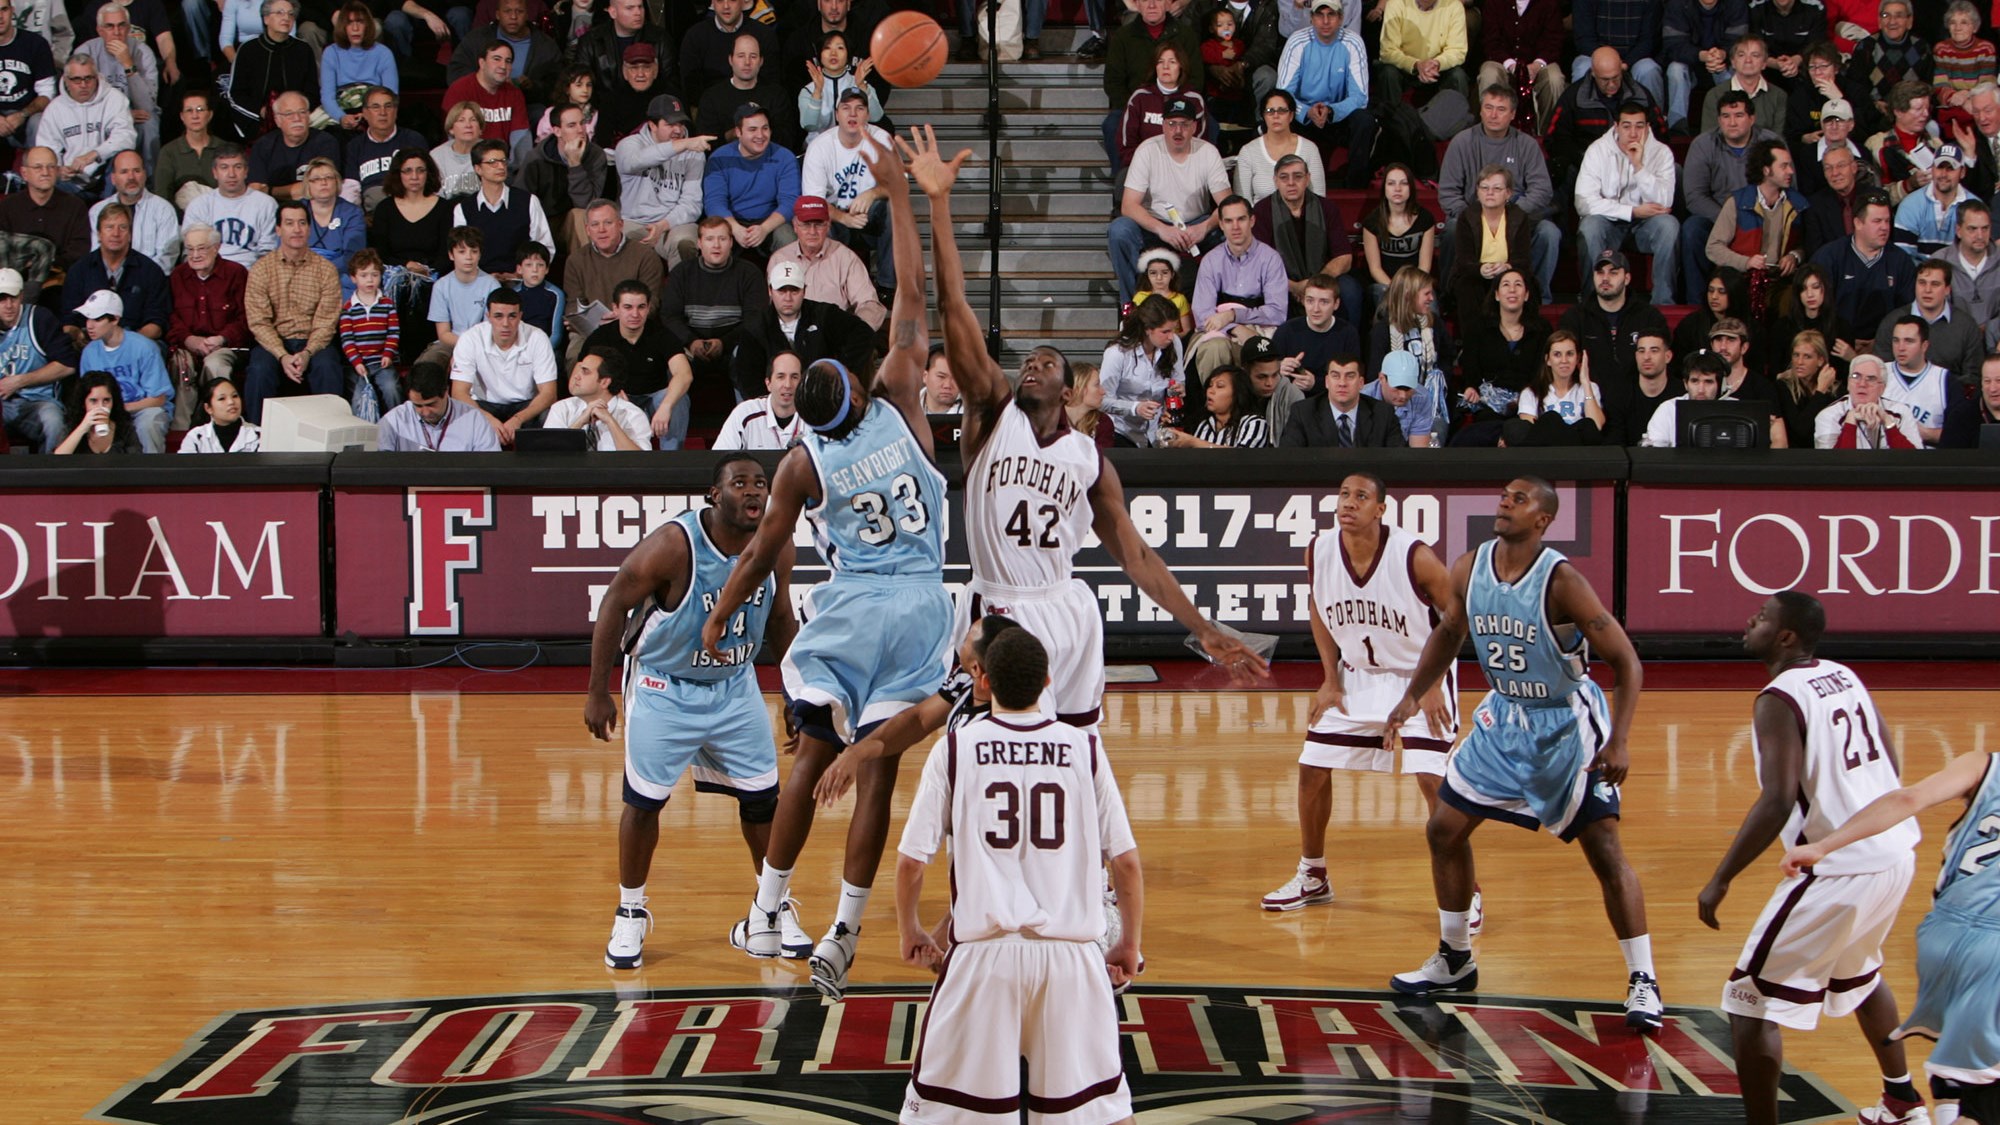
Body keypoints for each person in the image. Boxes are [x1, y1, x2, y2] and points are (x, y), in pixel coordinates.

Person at [702, 132, 949, 1003]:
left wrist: (718, 612)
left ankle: (768, 906)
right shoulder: (902, 399)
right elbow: (913, 293)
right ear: (853, 385)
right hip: (922, 605)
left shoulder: (803, 463)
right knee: (877, 767)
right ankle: (844, 930)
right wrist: (903, 200)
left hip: (851, 606)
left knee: (811, 751)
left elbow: (761, 555)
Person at [1383, 477, 1661, 1033]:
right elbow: (1449, 631)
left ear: (1543, 520)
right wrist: (1413, 694)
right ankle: (1455, 959)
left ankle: (1644, 979)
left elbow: (1627, 662)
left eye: (1520, 499)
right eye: (1504, 495)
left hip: (1564, 723)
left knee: (1604, 850)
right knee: (1444, 829)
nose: (1505, 502)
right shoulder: (1470, 565)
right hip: (1504, 715)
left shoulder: (1564, 582)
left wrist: (1621, 738)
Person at [892, 628, 1143, 1125]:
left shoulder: (956, 749)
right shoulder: (1083, 747)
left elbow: (910, 864)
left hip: (983, 960)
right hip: (1072, 961)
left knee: (942, 1117)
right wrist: (1128, 945)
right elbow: (1128, 865)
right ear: (1048, 680)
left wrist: (912, 932)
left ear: (981, 680)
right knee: (1106, 1114)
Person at [1700, 592, 1928, 1125]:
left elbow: (1777, 800)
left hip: (1840, 869)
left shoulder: (1777, 698)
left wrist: (1721, 877)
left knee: (1746, 1002)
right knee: (1862, 974)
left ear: (1786, 637)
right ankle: (1902, 1102)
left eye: (1762, 617)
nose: (1749, 619)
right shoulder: (1844, 675)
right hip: (1893, 853)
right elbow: (1888, 760)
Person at [585, 451, 800, 968]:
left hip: (734, 685)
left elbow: (780, 619)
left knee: (764, 803)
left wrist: (797, 692)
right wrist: (597, 690)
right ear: (714, 494)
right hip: (666, 685)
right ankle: (630, 913)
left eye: (761, 483)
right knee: (644, 803)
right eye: (740, 483)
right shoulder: (674, 544)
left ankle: (769, 910)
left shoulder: (776, 543)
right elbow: (614, 602)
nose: (753, 491)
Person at [1264, 471, 1461, 911]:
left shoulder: (1415, 556)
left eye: (1361, 496)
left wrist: (1429, 685)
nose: (1348, 502)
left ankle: (1466, 894)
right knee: (1312, 767)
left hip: (1417, 673)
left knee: (1432, 779)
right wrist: (1330, 678)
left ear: (1381, 509)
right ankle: (1312, 875)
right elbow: (1317, 607)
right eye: (1343, 494)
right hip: (1357, 674)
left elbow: (1455, 619)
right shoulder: (1319, 549)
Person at [1781, 737, 2000, 1125]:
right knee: (1984, 1100)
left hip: (1942, 937)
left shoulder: (1981, 764)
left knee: (1955, 1068)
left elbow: (1906, 800)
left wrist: (1825, 845)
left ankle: (1924, 1111)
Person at [1437, 87, 1558, 304]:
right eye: (1488, 108)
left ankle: (1538, 296)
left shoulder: (1526, 145)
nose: (1493, 115)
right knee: (1453, 228)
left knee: (1549, 232)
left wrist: (1512, 214)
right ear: (1480, 111)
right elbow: (1448, 193)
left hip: (1518, 219)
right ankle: (1450, 294)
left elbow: (1541, 189)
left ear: (1512, 114)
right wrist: (1476, 217)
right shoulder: (1462, 142)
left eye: (1501, 109)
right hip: (1473, 219)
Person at [1110, 95, 1229, 303]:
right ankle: (1131, 306)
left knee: (1233, 227)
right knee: (1120, 230)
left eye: (1184, 124)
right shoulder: (1147, 150)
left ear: (1194, 127)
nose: (1178, 131)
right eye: (1172, 124)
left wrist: (1204, 227)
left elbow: (1228, 206)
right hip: (1154, 226)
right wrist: (1162, 229)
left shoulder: (1208, 152)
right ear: (1163, 125)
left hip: (1195, 224)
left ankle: (1220, 305)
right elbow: (1129, 206)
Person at [242, 200, 345, 424]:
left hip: (314, 342)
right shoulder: (261, 269)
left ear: (309, 228)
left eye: (301, 223)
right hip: (274, 342)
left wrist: (307, 352)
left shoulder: (325, 269)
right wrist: (282, 355)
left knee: (327, 366)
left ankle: (332, 434)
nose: (296, 229)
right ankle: (256, 437)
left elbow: (326, 321)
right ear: (278, 229)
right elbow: (259, 322)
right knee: (259, 370)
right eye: (289, 223)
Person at [661, 216, 768, 427]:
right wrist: (691, 341)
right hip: (691, 346)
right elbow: (669, 316)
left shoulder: (748, 273)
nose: (716, 245)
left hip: (735, 344)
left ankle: (750, 435)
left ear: (731, 242)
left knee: (748, 357)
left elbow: (756, 318)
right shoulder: (682, 273)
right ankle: (672, 452)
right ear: (699, 244)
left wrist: (725, 343)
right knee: (673, 367)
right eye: (710, 239)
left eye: (722, 239)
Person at [1577, 102, 1683, 304]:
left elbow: (1664, 202)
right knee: (1589, 226)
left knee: (1669, 226)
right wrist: (1632, 211)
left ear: (1648, 127)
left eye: (1639, 126)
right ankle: (1591, 300)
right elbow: (1585, 204)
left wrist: (1639, 166)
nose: (1633, 133)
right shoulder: (1597, 151)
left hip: (1646, 227)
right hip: (1609, 223)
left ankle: (1663, 301)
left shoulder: (1662, 153)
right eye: (1626, 126)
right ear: (1616, 126)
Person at [729, 258, 873, 403]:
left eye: (794, 290)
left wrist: (840, 371)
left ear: (804, 290)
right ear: (770, 291)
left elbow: (863, 334)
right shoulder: (756, 327)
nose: (788, 298)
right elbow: (749, 380)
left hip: (821, 398)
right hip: (774, 402)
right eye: (781, 290)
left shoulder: (823, 314)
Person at [1683, 92, 1783, 298]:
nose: (1732, 122)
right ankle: (1697, 302)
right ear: (1719, 119)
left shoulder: (1771, 144)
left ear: (1752, 118)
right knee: (1692, 229)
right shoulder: (1703, 145)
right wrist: (1728, 220)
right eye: (1726, 116)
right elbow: (1694, 196)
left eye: (1738, 115)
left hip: (1763, 217)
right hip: (1717, 216)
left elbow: (1786, 189)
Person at [1274, 0, 1375, 188]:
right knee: (1279, 112)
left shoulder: (1353, 42)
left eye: (1332, 15)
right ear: (1311, 18)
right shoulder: (1297, 41)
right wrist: (1306, 111)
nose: (1326, 21)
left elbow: (1360, 96)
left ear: (1341, 18)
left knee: (1364, 120)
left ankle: (1355, 186)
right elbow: (1283, 94)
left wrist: (1331, 110)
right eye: (1320, 15)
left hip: (1337, 116)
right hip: (1304, 116)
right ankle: (1288, 183)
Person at [799, 90, 894, 287]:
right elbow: (814, 203)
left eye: (859, 109)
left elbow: (899, 187)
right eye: (846, 108)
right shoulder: (820, 147)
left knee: (895, 209)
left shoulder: (882, 139)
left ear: (867, 115)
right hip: (835, 217)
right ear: (837, 114)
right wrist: (844, 218)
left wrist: (874, 193)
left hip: (869, 214)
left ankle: (887, 286)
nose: (852, 114)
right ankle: (829, 289)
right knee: (816, 220)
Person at [1187, 195, 1288, 381]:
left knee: (1263, 351)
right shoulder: (1211, 261)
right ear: (1221, 224)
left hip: (1261, 330)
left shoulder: (1271, 259)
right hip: (1219, 331)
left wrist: (1234, 315)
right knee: (1214, 347)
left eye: (1241, 219)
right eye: (1228, 221)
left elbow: (1277, 312)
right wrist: (1235, 327)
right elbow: (1202, 315)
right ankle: (1215, 407)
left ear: (1252, 221)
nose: (1235, 227)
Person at [580, 279, 690, 448]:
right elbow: (582, 376)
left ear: (648, 308)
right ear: (615, 308)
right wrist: (610, 392)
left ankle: (671, 459)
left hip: (655, 397)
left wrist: (666, 406)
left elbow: (684, 374)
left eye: (641, 307)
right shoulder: (600, 338)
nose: (635, 314)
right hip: (618, 397)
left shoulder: (662, 334)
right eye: (628, 307)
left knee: (678, 398)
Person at [1250, 152, 1361, 314]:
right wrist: (1294, 287)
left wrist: (1315, 284)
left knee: (1350, 289)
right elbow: (1259, 265)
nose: (1291, 183)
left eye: (1297, 176)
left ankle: (1347, 338)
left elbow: (1344, 257)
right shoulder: (1262, 211)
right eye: (1284, 177)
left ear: (1307, 178)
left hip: (1321, 277)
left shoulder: (1326, 208)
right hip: (1282, 282)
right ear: (1275, 181)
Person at [1546, 49, 1670, 189]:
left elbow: (1661, 135)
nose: (1611, 84)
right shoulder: (1573, 97)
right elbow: (1554, 138)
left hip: (1634, 163)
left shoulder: (1641, 96)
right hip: (1586, 165)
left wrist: (1639, 158)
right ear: (1593, 73)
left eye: (1616, 78)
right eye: (1605, 80)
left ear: (1622, 68)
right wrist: (1585, 159)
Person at [615, 93, 712, 270]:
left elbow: (692, 203)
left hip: (672, 223)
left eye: (681, 124)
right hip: (633, 221)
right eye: (670, 124)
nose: (678, 130)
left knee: (684, 241)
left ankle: (680, 295)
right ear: (652, 125)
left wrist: (663, 225)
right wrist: (681, 146)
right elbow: (634, 162)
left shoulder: (694, 152)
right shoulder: (629, 145)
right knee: (616, 238)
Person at [449, 286, 557, 444]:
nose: (505, 323)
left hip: (525, 405)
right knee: (460, 415)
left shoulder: (537, 338)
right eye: (498, 316)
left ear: (520, 316)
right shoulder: (470, 338)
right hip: (484, 404)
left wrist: (518, 419)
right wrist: (488, 419)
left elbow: (549, 393)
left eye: (512, 316)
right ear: (488, 317)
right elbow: (459, 393)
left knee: (548, 415)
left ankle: (539, 466)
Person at [166, 225, 251, 422]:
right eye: (190, 249)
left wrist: (221, 338)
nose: (195, 255)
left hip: (226, 346)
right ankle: (182, 433)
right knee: (181, 366)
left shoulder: (236, 273)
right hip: (187, 346)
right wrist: (189, 340)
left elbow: (246, 318)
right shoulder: (178, 276)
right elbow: (171, 318)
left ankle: (222, 425)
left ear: (216, 247)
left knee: (215, 365)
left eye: (202, 248)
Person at [1810, 191, 1915, 347]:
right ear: (1858, 223)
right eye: (1877, 221)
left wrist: (1881, 342)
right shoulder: (1829, 257)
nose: (1884, 228)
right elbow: (1815, 309)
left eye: (1887, 221)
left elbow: (1907, 312)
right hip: (1835, 346)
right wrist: (1842, 340)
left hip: (1885, 348)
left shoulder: (1901, 261)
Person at [767, 195, 887, 330]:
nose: (812, 232)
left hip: (834, 335)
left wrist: (856, 332)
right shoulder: (779, 259)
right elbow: (771, 309)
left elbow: (870, 304)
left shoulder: (845, 257)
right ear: (795, 226)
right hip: (791, 337)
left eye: (819, 224)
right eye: (806, 225)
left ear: (828, 225)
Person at [75, 289, 171, 452]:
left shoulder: (144, 347)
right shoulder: (89, 352)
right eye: (88, 318)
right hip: (105, 409)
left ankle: (152, 474)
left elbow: (158, 399)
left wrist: (119, 408)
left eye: (97, 319)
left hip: (141, 409)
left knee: (149, 421)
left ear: (115, 319)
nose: (89, 325)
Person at [516, 102, 616, 256]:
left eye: (582, 123)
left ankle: (587, 274)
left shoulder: (595, 155)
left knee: (581, 216)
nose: (580, 130)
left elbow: (587, 205)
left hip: (576, 221)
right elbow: (520, 201)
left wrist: (575, 165)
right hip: (543, 223)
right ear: (557, 131)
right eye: (571, 125)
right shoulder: (536, 158)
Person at [62, 203, 169, 344]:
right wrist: (81, 338)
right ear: (99, 234)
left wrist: (125, 344)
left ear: (130, 234)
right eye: (109, 227)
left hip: (136, 343)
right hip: (91, 344)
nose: (116, 234)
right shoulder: (79, 270)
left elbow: (157, 323)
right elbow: (69, 321)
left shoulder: (150, 271)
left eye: (123, 227)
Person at [1457, 266, 1547, 433]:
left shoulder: (1542, 329)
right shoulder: (1477, 328)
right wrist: (1471, 387)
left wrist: (1527, 397)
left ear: (1526, 295)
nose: (1512, 289)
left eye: (1518, 284)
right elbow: (1470, 366)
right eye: (1506, 284)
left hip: (1528, 401)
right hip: (1489, 404)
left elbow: (1541, 372)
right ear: (1497, 295)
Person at [703, 105, 801, 259]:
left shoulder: (784, 157)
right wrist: (734, 228)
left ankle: (787, 283)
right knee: (715, 237)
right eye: (752, 129)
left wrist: (764, 228)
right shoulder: (719, 158)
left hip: (771, 220)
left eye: (765, 128)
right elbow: (714, 202)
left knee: (787, 237)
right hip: (731, 221)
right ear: (738, 132)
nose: (760, 135)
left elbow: (790, 202)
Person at [1707, 138, 1807, 286]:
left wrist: (1795, 256)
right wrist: (1746, 262)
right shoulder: (1737, 202)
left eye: (1790, 165)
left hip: (1781, 282)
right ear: (1766, 170)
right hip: (1741, 281)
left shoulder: (1797, 204)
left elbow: (1806, 244)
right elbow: (1713, 248)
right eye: (1784, 166)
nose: (1790, 171)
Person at [0, 266, 76, 454]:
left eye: (14, 298)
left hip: (37, 402)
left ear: (22, 296)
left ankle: (53, 480)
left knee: (54, 422)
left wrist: (19, 381)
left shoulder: (39, 319)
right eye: (2, 299)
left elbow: (67, 366)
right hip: (1, 405)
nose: (9, 305)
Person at [453, 138, 553, 280]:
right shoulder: (463, 209)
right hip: (479, 282)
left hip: (521, 281)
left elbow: (545, 247)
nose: (501, 167)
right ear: (478, 169)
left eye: (503, 161)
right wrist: (485, 278)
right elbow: (461, 254)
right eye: (493, 162)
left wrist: (519, 274)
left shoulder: (528, 201)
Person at [1873, 257, 1985, 385]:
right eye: (1922, 283)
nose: (1927, 290)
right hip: (1901, 397)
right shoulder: (1892, 322)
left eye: (1935, 284)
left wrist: (1939, 390)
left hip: (1950, 398)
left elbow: (1973, 376)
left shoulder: (1966, 325)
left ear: (1948, 289)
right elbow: (1881, 371)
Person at [33, 53, 130, 196]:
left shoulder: (114, 99)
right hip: (71, 180)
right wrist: (58, 169)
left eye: (88, 78)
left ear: (96, 77)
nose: (83, 85)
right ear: (66, 80)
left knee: (124, 158)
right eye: (76, 80)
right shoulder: (55, 108)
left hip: (106, 175)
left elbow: (126, 137)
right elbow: (47, 148)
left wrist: (95, 154)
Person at [1446, 164, 1534, 319]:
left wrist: (1507, 267)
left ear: (1508, 193)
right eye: (1484, 188)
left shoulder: (1519, 217)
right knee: (1468, 288)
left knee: (1520, 286)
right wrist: (1480, 269)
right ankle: (1474, 342)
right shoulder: (1466, 217)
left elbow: (1523, 260)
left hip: (1508, 273)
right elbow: (1463, 261)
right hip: (1475, 274)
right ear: (1478, 192)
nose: (1490, 193)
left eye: (1497, 188)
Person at [1098, 296, 1187, 447]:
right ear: (1147, 330)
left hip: (1158, 432)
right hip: (1121, 432)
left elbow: (1179, 381)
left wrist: (1178, 390)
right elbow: (1101, 401)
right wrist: (1135, 408)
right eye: (1165, 331)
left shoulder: (1174, 344)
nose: (1171, 337)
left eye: (1174, 330)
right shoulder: (1117, 353)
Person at [76, 2, 157, 166]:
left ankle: (150, 182)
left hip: (137, 115)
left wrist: (129, 65)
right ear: (100, 30)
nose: (116, 32)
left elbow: (147, 105)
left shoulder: (143, 52)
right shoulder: (85, 53)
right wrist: (121, 114)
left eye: (121, 26)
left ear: (128, 28)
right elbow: (79, 101)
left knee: (150, 122)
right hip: (99, 116)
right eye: (109, 26)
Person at [227, 0, 318, 131]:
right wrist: (261, 110)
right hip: (257, 120)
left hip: (296, 120)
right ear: (266, 19)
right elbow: (236, 94)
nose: (286, 18)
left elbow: (312, 91)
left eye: (291, 14)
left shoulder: (303, 49)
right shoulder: (248, 49)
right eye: (280, 13)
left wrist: (294, 112)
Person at [1279, 352, 1404, 446]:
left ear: (1361, 383)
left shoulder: (1383, 414)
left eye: (1350, 376)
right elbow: (1290, 459)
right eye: (1335, 376)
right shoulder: (1303, 412)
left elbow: (1397, 461)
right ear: (1327, 382)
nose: (1342, 383)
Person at [1506, 330, 1606, 446]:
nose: (1564, 360)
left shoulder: (1590, 387)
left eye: (1570, 354)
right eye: (1557, 354)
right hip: (1547, 452)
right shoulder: (1531, 392)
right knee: (1550, 419)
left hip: (1578, 452)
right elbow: (1528, 433)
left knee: (1587, 425)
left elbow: (1596, 425)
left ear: (1578, 358)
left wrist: (1585, 381)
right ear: (1548, 360)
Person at [448, 0, 558, 105]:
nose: (513, 17)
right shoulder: (477, 38)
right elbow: (455, 73)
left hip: (527, 104)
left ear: (527, 15)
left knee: (539, 113)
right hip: (480, 103)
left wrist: (532, 87)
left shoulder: (546, 45)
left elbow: (557, 85)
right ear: (497, 14)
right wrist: (486, 80)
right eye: (507, 11)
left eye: (519, 11)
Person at [1118, 41, 1208, 168]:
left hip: (1183, 167)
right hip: (1144, 167)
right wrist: (1148, 165)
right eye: (1160, 62)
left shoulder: (1194, 99)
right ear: (1155, 67)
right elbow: (1127, 145)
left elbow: (1199, 144)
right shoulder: (1140, 97)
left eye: (1172, 62)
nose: (1166, 66)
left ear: (1181, 66)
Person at [376, 360, 500, 451]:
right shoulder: (393, 421)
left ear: (446, 392)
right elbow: (379, 467)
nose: (425, 412)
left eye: (431, 404)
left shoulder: (474, 420)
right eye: (418, 406)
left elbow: (491, 466)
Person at [1476, 0, 1564, 128]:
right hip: (1502, 61)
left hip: (1539, 63)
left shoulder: (1549, 3)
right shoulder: (1493, 3)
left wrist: (1538, 64)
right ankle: (1492, 133)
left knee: (1554, 79)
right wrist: (1511, 65)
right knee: (1489, 73)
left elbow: (1554, 41)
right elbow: (1490, 41)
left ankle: (1547, 136)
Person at [1267, 273, 1359, 394]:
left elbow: (1352, 380)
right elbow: (1267, 379)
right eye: (1310, 301)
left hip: (1330, 401)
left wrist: (1316, 384)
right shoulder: (1286, 331)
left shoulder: (1348, 333)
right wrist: (1278, 371)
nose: (1315, 309)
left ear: (1336, 304)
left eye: (1324, 302)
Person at [1360, 162, 1437, 304]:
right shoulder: (1372, 222)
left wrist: (1412, 288)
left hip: (1415, 283)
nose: (1397, 189)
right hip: (1384, 284)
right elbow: (1375, 269)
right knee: (1383, 297)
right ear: (1384, 189)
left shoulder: (1425, 219)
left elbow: (1424, 267)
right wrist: (1395, 290)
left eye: (1404, 183)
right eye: (1391, 183)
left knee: (1429, 302)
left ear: (1411, 188)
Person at [1233, 89, 1327, 205]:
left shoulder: (1309, 149)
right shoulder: (1248, 152)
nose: (1276, 116)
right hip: (1261, 221)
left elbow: (1319, 199)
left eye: (1282, 111)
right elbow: (1242, 204)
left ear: (1291, 116)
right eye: (1270, 111)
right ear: (1263, 116)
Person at [1815, 350, 1926, 446]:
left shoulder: (1901, 413)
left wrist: (1888, 422)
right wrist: (1850, 421)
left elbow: (1914, 461)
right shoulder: (1828, 417)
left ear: (1882, 388)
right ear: (1848, 383)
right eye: (1856, 376)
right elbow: (1835, 466)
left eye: (1871, 378)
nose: (1862, 383)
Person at [0, 146, 88, 266]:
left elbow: (78, 252)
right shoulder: (8, 206)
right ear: (24, 173)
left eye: (51, 167)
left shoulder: (75, 206)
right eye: (38, 167)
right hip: (15, 276)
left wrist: (45, 263)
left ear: (57, 171)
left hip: (60, 276)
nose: (45, 173)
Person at [1848, 0, 1933, 118]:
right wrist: (1873, 104)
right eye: (1885, 15)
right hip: (1873, 113)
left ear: (1909, 21)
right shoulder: (1866, 47)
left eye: (1899, 15)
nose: (1892, 21)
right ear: (1879, 21)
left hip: (1911, 114)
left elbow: (1927, 87)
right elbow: (1855, 87)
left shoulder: (1921, 48)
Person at [338, 249, 398, 416]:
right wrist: (357, 362)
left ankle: (398, 422)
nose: (370, 280)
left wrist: (388, 354)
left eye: (374, 275)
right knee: (358, 398)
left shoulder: (387, 304)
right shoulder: (348, 308)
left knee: (391, 387)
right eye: (364, 275)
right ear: (353, 278)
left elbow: (393, 333)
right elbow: (347, 340)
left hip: (382, 362)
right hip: (358, 365)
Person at [797, 30, 880, 147]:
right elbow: (809, 125)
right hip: (819, 150)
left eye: (840, 48)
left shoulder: (860, 83)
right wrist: (817, 92)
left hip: (856, 149)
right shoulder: (809, 90)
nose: (833, 53)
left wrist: (861, 86)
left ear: (848, 55)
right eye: (827, 48)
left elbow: (876, 117)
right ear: (819, 55)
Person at [1895, 144, 1981, 255]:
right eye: (1940, 167)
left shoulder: (1975, 207)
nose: (1944, 174)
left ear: (1962, 172)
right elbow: (1904, 257)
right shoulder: (1910, 205)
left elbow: (1976, 255)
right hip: (1919, 271)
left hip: (1959, 271)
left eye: (1951, 168)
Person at [1160, 362, 1272, 447]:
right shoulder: (1204, 424)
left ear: (1237, 393)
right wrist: (1170, 432)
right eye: (1210, 385)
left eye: (1220, 386)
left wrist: (1193, 442)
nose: (1210, 391)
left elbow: (1243, 458)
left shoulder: (1254, 423)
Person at [319, 1, 393, 127]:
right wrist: (341, 117)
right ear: (342, 26)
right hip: (341, 105)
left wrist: (368, 113)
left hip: (374, 105)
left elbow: (390, 94)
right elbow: (327, 96)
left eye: (360, 22)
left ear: (368, 25)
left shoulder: (383, 53)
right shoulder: (331, 52)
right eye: (349, 23)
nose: (355, 28)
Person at [443, 39, 529, 148]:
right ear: (482, 63)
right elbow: (455, 137)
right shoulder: (459, 90)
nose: (503, 66)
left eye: (508, 61)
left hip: (503, 161)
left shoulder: (514, 93)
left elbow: (521, 138)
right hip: (470, 160)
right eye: (496, 59)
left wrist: (516, 165)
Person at [713, 349, 804, 450]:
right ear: (768, 383)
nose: (787, 385)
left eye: (794, 377)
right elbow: (720, 459)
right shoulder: (744, 413)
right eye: (780, 377)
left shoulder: (816, 417)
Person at [1699, 33, 1787, 136]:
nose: (1748, 60)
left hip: (1765, 151)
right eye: (1741, 55)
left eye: (1755, 55)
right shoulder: (1714, 95)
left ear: (1764, 63)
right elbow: (1707, 140)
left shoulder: (1778, 96)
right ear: (1733, 62)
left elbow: (1778, 140)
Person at [0, 0, 55, 156]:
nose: (0, 17)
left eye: (3, 9)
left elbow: (47, 94)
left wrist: (22, 115)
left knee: (40, 122)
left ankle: (39, 174)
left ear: (12, 10)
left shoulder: (35, 44)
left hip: (26, 115)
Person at [1640, 349, 1729, 446]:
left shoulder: (1735, 408)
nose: (1701, 390)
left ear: (1720, 386)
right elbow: (1655, 455)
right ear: (1685, 384)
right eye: (1694, 381)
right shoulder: (1668, 410)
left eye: (1708, 382)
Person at [1937, 200, 2000, 322]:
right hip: (1955, 336)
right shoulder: (1939, 263)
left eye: (1985, 228)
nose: (1980, 236)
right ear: (1958, 230)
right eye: (1972, 229)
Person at [53, 369, 141, 453]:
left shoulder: (124, 428)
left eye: (106, 400)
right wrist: (83, 428)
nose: (100, 406)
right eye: (93, 401)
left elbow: (136, 462)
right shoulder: (71, 427)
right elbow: (56, 461)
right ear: (83, 403)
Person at [178, 375, 260, 452]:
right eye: (222, 398)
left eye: (235, 396)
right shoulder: (195, 437)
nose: (231, 402)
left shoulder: (259, 435)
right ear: (208, 408)